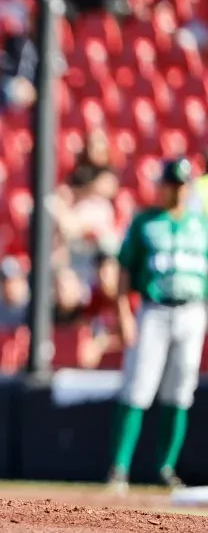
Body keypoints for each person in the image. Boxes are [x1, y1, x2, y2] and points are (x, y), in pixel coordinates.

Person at [106, 158, 208, 492]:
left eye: (182, 185)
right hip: (154, 309)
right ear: (161, 186)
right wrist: (123, 312)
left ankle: (166, 467)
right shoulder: (146, 223)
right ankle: (119, 468)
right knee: (137, 387)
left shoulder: (202, 223)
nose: (176, 191)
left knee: (180, 391)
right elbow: (124, 269)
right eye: (172, 184)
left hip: (192, 311)